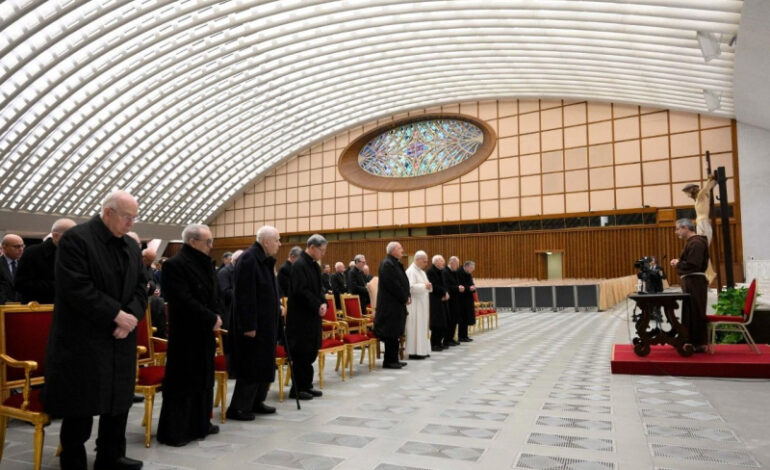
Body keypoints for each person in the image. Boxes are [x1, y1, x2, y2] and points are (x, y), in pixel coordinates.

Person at [43, 190, 147, 470]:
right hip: (84, 339)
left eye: (135, 218)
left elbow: (142, 286)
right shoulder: (77, 239)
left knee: (119, 401)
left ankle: (111, 456)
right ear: (108, 212)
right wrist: (116, 315)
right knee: (80, 404)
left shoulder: (130, 245)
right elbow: (75, 287)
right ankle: (73, 459)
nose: (131, 223)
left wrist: (130, 317)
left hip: (120, 337)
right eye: (127, 217)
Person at [157, 224, 223, 447]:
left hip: (204, 331)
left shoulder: (205, 263)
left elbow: (214, 294)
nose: (211, 246)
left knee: (203, 378)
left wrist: (217, 314)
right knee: (184, 381)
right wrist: (210, 317)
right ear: (193, 242)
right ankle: (178, 430)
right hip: (186, 333)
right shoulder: (175, 264)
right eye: (208, 241)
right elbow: (182, 299)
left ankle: (200, 423)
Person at [227, 227, 282, 419]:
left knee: (264, 364)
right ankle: (239, 407)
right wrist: (248, 325)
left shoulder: (264, 259)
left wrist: (277, 306)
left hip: (266, 323)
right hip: (253, 325)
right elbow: (245, 295)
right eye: (277, 240)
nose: (279, 244)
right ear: (266, 241)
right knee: (251, 365)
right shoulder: (249, 259)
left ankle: (257, 401)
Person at [286, 234, 328, 400]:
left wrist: (323, 302)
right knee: (301, 354)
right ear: (312, 247)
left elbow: (319, 289)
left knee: (310, 352)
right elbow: (301, 290)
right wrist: (317, 305)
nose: (323, 254)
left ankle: (307, 385)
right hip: (301, 318)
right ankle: (297, 389)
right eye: (321, 250)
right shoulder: (299, 265)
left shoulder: (314, 265)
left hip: (313, 316)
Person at [670, 218, 710, 354]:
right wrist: (680, 262)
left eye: (677, 229)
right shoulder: (692, 242)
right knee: (690, 312)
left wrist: (678, 263)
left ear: (686, 228)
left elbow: (694, 264)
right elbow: (691, 262)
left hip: (695, 282)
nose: (676, 232)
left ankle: (698, 343)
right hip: (691, 282)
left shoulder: (696, 242)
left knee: (695, 312)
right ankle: (690, 340)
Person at [14, 218, 76, 304]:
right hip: (39, 308)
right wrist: (59, 286)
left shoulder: (74, 254)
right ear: (56, 236)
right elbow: (21, 284)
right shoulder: (33, 253)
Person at [373, 241, 410, 369]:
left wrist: (407, 295)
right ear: (393, 250)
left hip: (397, 304)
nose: (402, 250)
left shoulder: (395, 263)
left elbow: (403, 282)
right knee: (391, 333)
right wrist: (404, 297)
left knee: (396, 333)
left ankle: (394, 359)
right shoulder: (387, 264)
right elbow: (394, 285)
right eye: (400, 248)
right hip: (390, 305)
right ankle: (389, 361)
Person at [683, 175, 718, 283]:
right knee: (702, 249)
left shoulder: (701, 196)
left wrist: (710, 180)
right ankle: (709, 274)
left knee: (702, 248)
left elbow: (706, 188)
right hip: (700, 223)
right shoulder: (699, 199)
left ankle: (709, 275)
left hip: (703, 224)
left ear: (692, 190)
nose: (688, 195)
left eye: (688, 192)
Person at [405, 251, 431, 359]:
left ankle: (423, 350)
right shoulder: (411, 271)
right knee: (415, 328)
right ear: (417, 259)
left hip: (422, 304)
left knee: (422, 328)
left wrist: (428, 286)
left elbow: (427, 285)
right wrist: (424, 286)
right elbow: (410, 288)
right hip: (414, 305)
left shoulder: (422, 272)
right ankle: (414, 352)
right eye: (424, 261)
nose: (426, 264)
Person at [426, 255, 449, 352]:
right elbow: (434, 286)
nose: (443, 263)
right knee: (436, 323)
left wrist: (446, 292)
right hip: (434, 300)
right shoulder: (430, 272)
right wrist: (444, 292)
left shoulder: (441, 271)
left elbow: (445, 284)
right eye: (441, 261)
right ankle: (434, 344)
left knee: (443, 322)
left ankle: (439, 342)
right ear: (436, 262)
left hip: (442, 299)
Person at [442, 256, 464, 347]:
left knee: (454, 320)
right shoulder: (445, 272)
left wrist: (459, 287)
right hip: (449, 301)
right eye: (457, 264)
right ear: (452, 262)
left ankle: (451, 338)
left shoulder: (454, 272)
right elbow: (446, 286)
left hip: (455, 300)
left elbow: (455, 284)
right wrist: (457, 288)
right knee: (450, 320)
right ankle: (447, 339)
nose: (458, 266)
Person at [0, 233, 24, 304]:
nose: (21, 249)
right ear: (4, 247)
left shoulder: (25, 264)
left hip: (23, 306)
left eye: (22, 246)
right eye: (17, 247)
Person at [457, 260, 477, 342]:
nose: (472, 270)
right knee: (462, 318)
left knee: (467, 318)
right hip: (461, 299)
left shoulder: (468, 274)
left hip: (468, 298)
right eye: (471, 269)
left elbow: (471, 283)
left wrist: (473, 287)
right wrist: (469, 288)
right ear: (467, 267)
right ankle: (461, 336)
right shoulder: (459, 272)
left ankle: (465, 336)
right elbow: (459, 285)